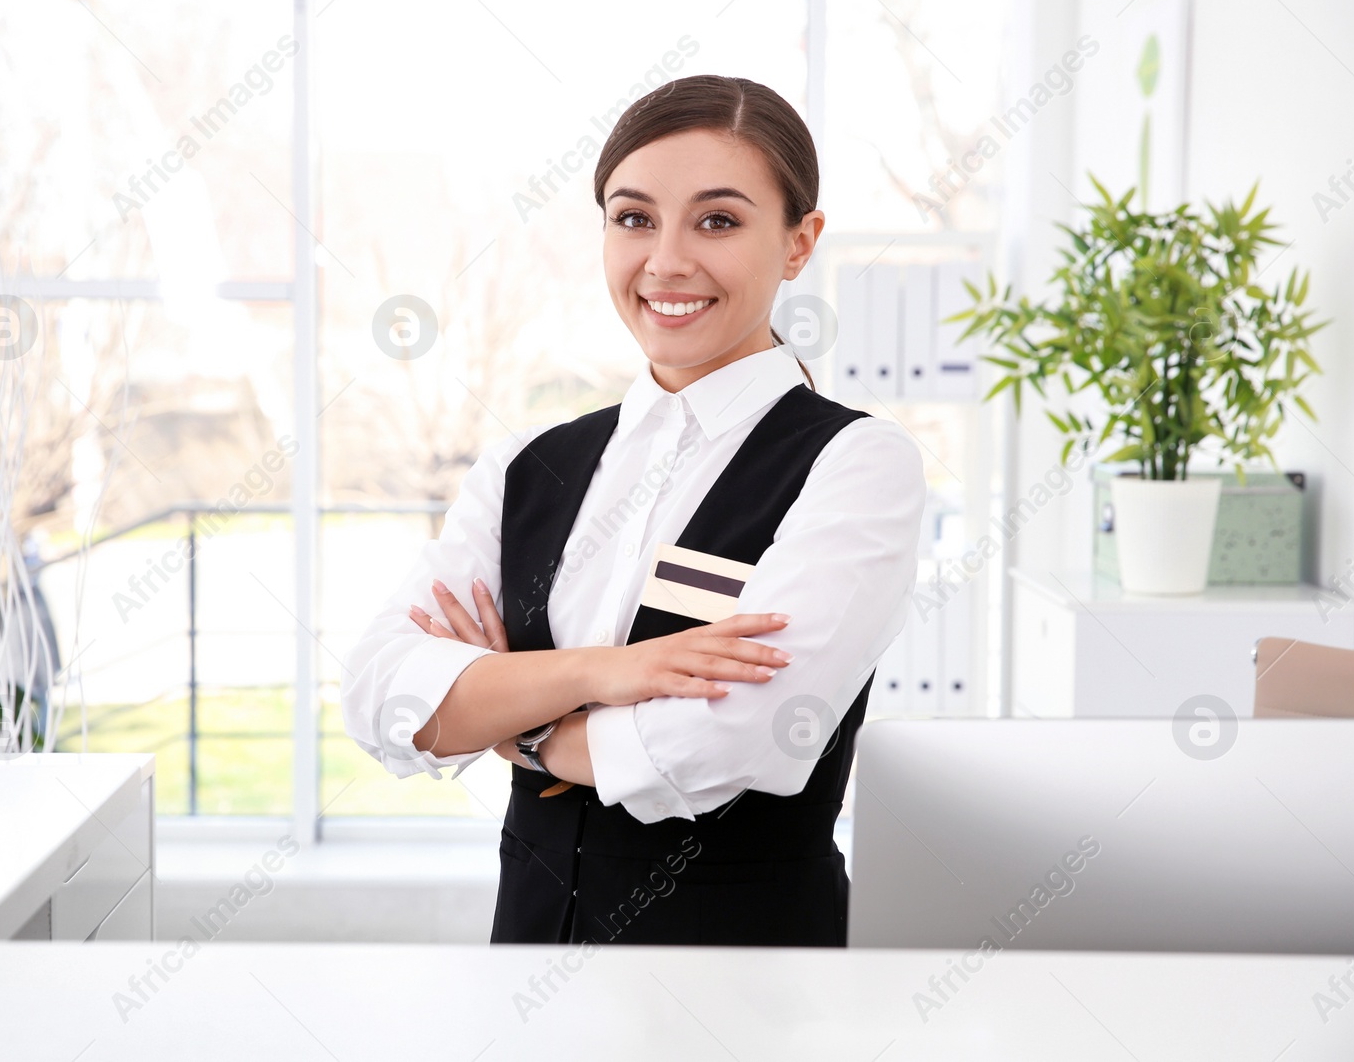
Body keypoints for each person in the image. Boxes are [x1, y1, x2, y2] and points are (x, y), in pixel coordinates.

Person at [340, 74, 925, 947]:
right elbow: (382, 691)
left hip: (748, 983)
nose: (667, 261)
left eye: (718, 220)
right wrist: (598, 674)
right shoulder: (527, 466)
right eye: (634, 217)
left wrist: (511, 717)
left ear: (800, 242)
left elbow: (731, 741)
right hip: (529, 966)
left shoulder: (855, 463)